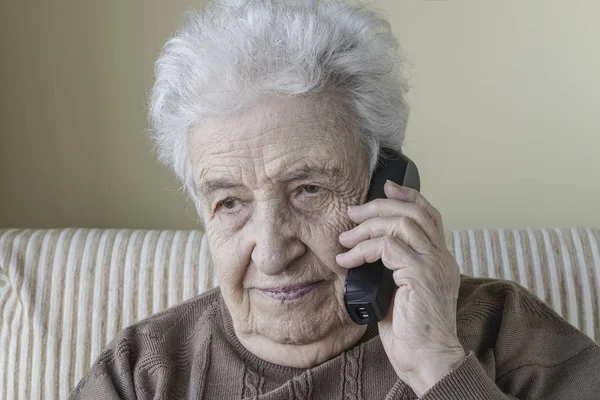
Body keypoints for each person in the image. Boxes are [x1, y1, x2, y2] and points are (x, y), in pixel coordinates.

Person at [70, 0, 600, 398]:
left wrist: (438, 367)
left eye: (309, 189)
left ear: (387, 185)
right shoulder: (143, 373)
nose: (273, 253)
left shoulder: (506, 333)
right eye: (230, 203)